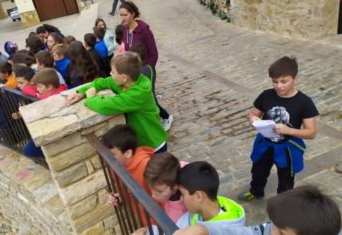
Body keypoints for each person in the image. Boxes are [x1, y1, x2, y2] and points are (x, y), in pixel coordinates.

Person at [238, 56, 319, 202]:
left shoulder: (305, 102)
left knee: (286, 177)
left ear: (295, 79)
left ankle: (283, 202)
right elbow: (254, 112)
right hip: (265, 143)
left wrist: (289, 131)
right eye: (275, 82)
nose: (279, 86)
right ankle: (256, 192)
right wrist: (253, 119)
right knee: (258, 171)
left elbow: (311, 132)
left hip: (287, 148)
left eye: (284, 81)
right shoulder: (266, 95)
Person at [67, 51, 167, 153]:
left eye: (113, 72)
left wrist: (91, 98)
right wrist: (81, 93)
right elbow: (103, 82)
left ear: (124, 77)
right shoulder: (128, 82)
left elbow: (107, 106)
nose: (110, 74)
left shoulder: (138, 94)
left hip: (153, 144)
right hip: (143, 142)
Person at [134, 161, 245, 235]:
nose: (181, 199)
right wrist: (146, 231)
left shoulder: (228, 229)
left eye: (182, 194)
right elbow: (174, 228)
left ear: (198, 196)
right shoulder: (197, 212)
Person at [194, 185, 342, 235]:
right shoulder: (280, 226)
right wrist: (204, 229)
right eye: (274, 225)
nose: (272, 232)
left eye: (281, 233)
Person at [103, 124, 161, 226]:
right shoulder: (115, 166)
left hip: (159, 222)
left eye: (112, 155)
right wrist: (118, 198)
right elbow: (127, 193)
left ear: (128, 153)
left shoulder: (147, 167)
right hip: (144, 220)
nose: (107, 159)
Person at [130, 43, 173, 131]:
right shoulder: (139, 67)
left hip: (148, 90)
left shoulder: (145, 69)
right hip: (146, 90)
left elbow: (145, 84)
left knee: (154, 104)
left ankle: (167, 117)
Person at [143, 153, 188, 222]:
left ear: (174, 186)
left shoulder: (174, 216)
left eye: (159, 191)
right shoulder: (182, 166)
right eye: (151, 187)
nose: (153, 195)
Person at [120, 1, 158, 68]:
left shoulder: (144, 30)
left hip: (145, 70)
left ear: (133, 14)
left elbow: (154, 54)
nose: (123, 18)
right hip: (133, 71)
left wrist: (147, 70)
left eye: (125, 15)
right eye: (121, 15)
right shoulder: (125, 30)